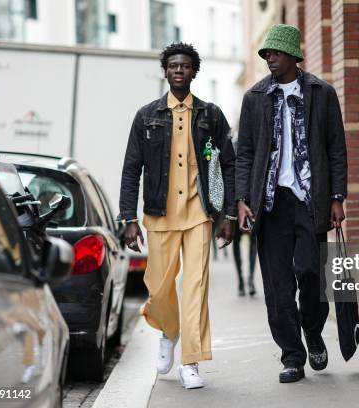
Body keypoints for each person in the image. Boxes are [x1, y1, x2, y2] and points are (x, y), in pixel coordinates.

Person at [118, 42, 236, 389]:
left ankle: (192, 362)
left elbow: (228, 164)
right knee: (158, 287)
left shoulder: (211, 115)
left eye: (185, 66)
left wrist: (228, 214)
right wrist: (128, 218)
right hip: (159, 215)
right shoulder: (146, 116)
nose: (179, 71)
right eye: (173, 66)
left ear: (194, 71)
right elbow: (130, 169)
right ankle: (169, 332)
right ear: (166, 71)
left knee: (196, 289)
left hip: (199, 215)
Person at [235, 24, 348, 383]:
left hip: (310, 201)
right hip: (270, 204)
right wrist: (241, 200)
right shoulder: (255, 97)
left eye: (276, 53)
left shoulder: (322, 93)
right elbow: (245, 154)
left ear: (292, 56)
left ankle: (313, 332)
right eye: (266, 53)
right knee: (278, 286)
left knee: (312, 275)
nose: (269, 58)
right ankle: (292, 356)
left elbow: (336, 150)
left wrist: (337, 197)